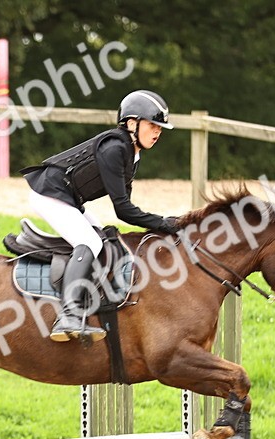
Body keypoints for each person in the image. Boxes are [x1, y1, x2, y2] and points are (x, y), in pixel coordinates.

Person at [20, 90, 181, 341]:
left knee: (102, 240)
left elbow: (126, 206)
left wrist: (163, 224)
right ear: (131, 123)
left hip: (68, 198)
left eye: (160, 127)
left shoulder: (132, 153)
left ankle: (93, 305)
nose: (158, 132)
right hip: (49, 193)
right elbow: (123, 210)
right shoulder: (115, 149)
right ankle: (68, 315)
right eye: (152, 125)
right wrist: (164, 223)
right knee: (91, 242)